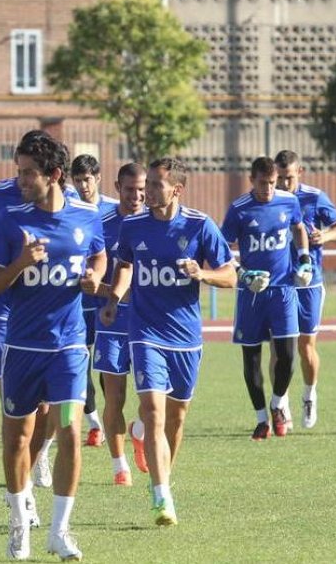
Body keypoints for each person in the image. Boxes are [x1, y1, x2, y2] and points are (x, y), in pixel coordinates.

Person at [0, 132, 106, 561]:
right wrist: (19, 263)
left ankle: (60, 530)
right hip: (21, 350)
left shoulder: (87, 217)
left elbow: (100, 254)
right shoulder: (10, 221)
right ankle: (20, 525)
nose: (20, 181)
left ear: (54, 175)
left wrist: (93, 276)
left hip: (69, 351)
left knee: (70, 428)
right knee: (17, 440)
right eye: (18, 172)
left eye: (28, 173)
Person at [104, 158, 237, 526]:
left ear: (176, 190)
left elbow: (230, 276)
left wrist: (203, 273)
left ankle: (162, 476)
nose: (147, 192)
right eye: (148, 184)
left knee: (176, 419)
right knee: (154, 413)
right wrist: (115, 299)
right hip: (145, 333)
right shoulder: (132, 226)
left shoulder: (199, 225)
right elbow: (125, 264)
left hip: (186, 338)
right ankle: (162, 497)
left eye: (157, 185)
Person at [220, 156, 312, 440]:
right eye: (263, 183)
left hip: (283, 291)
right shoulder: (239, 209)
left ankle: (277, 404)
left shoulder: (288, 201)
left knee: (287, 356)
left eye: (272, 183)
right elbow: (222, 248)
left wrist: (305, 259)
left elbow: (298, 228)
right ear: (252, 180)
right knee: (252, 359)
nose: (269, 189)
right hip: (251, 294)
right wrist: (243, 272)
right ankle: (261, 418)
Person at [274, 150, 336, 428]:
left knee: (306, 345)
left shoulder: (314, 197)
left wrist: (324, 235)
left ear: (300, 172)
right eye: (279, 178)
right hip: (280, 282)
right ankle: (280, 404)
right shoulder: (270, 199)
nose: (283, 184)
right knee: (280, 349)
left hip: (309, 281)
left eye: (288, 178)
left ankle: (309, 395)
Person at [88, 163, 149, 484]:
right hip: (111, 323)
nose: (137, 196)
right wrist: (109, 292)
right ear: (117, 187)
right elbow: (87, 278)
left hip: (150, 323)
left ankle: (139, 430)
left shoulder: (155, 223)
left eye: (142, 189)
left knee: (156, 398)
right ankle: (118, 465)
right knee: (114, 397)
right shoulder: (100, 224)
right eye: (129, 189)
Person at [69, 154, 120, 447]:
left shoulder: (113, 209)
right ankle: (94, 422)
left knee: (106, 365)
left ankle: (109, 416)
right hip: (77, 298)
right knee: (81, 361)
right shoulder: (69, 209)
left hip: (105, 297)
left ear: (98, 178)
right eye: (77, 180)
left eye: (87, 179)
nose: (83, 185)